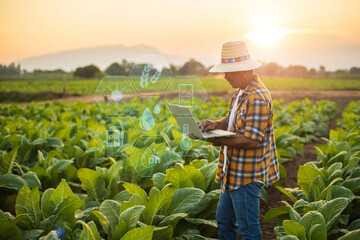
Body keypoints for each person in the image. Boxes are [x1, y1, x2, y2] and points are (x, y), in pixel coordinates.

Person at [199, 41, 280, 239]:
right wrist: (215, 124)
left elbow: (252, 141)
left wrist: (216, 140)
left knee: (248, 230)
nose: (225, 77)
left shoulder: (258, 97)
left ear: (246, 70)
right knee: (225, 222)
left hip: (246, 175)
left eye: (230, 72)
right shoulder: (240, 93)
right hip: (232, 170)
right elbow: (232, 119)